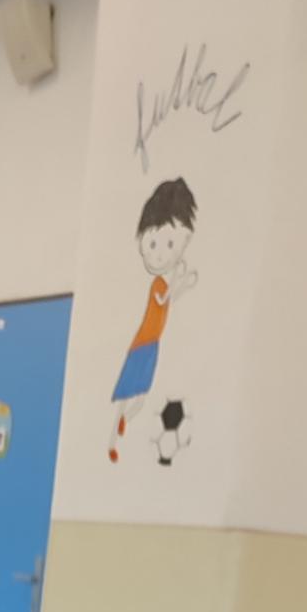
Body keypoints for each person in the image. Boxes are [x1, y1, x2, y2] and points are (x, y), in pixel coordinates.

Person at [109, 178, 198, 462]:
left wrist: (183, 284)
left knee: (140, 394)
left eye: (170, 244)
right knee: (126, 392)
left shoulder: (166, 284)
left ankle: (123, 423)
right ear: (143, 243)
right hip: (142, 343)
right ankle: (114, 437)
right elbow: (161, 299)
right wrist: (177, 282)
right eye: (154, 243)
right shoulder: (158, 284)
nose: (161, 254)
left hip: (152, 345)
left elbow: (168, 302)